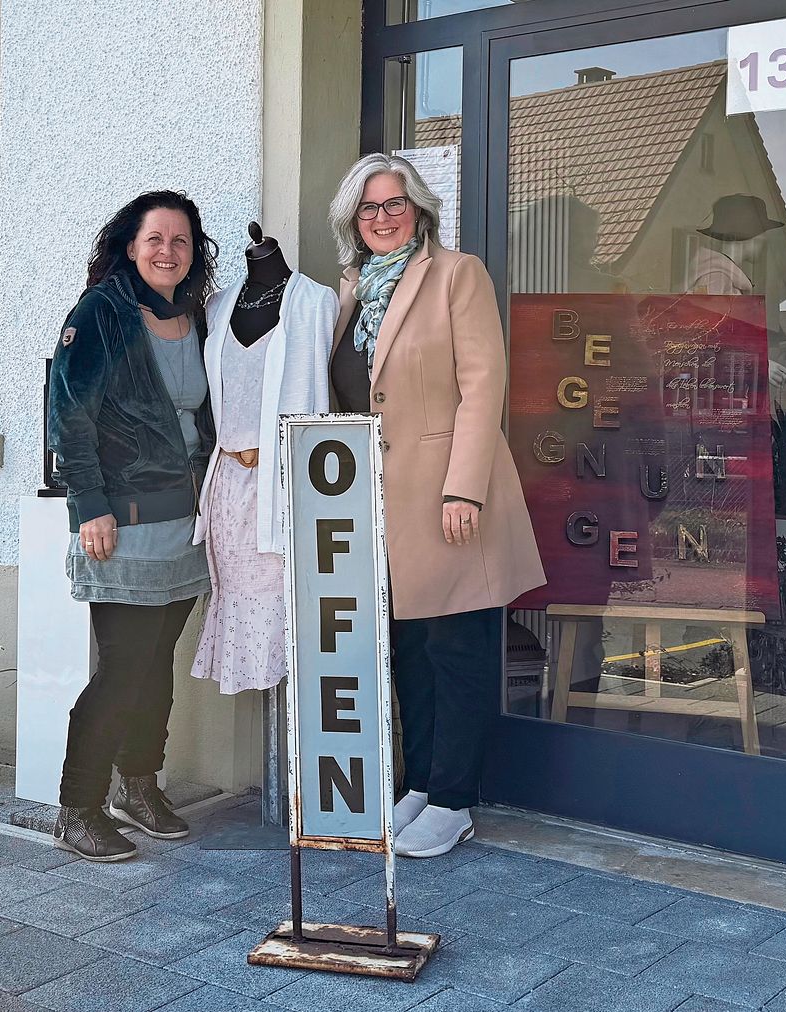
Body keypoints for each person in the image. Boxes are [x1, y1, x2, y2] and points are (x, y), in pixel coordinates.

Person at [327, 153, 546, 858]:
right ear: (353, 223)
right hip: (384, 503)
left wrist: (465, 488)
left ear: (419, 212)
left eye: (395, 205)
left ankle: (455, 799)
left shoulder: (458, 274)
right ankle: (419, 782)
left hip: (450, 494)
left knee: (457, 648)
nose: (383, 218)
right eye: (370, 209)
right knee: (409, 649)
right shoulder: (353, 290)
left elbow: (484, 385)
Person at [46, 190, 218, 861]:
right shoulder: (101, 313)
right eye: (155, 239)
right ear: (129, 245)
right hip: (121, 524)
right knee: (121, 671)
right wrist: (88, 504)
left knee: (156, 667)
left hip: (184, 525)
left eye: (180, 241)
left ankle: (137, 785)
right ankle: (77, 808)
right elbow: (71, 415)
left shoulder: (194, 316)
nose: (167, 252)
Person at [187, 225, 334, 694]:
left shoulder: (317, 302)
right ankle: (272, 752)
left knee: (288, 611)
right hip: (230, 487)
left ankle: (291, 751)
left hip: (288, 485)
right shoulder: (217, 306)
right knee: (244, 604)